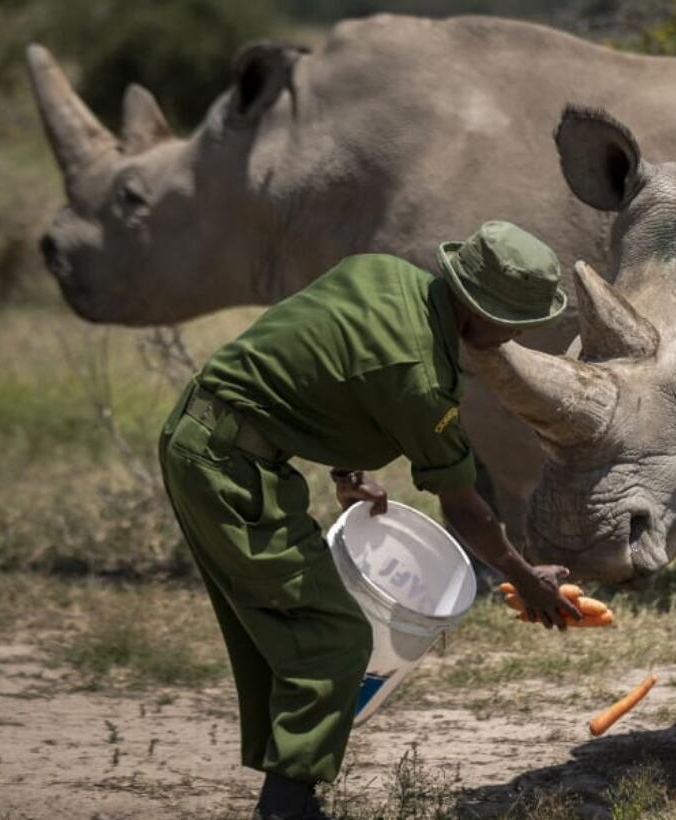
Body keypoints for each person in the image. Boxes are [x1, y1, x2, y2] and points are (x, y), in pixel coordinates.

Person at [157, 221, 582, 820]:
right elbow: (463, 506)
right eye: (517, 322)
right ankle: (285, 810)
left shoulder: (383, 273)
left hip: (209, 439)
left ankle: (287, 794)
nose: (515, 334)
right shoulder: (422, 378)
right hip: (227, 467)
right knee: (332, 637)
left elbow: (323, 356)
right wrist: (523, 574)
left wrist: (344, 467)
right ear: (481, 309)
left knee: (288, 633)